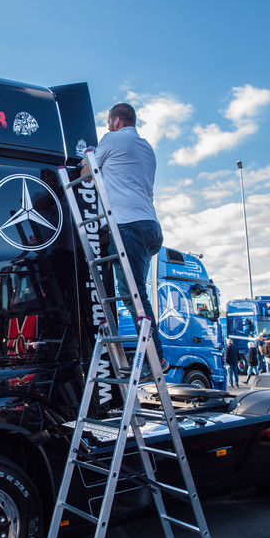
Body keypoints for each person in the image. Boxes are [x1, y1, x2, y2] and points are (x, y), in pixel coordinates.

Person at [81, 103, 169, 376]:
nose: (107, 127)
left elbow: (86, 170)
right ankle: (153, 355)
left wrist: (91, 161)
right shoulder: (146, 147)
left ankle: (154, 359)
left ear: (116, 121)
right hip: (150, 227)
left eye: (108, 122)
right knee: (135, 290)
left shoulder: (112, 139)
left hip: (129, 226)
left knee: (134, 294)